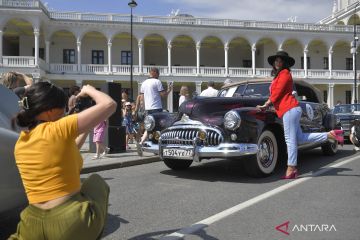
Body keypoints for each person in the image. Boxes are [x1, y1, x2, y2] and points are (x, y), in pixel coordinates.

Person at [9, 82, 116, 239]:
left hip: (31, 224)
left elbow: (66, 151)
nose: (65, 112)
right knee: (95, 182)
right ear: (50, 111)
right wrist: (90, 90)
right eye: (63, 107)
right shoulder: (59, 128)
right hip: (69, 222)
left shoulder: (21, 142)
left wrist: (85, 128)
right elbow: (109, 104)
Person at [256, 51, 344, 179]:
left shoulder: (285, 73)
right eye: (276, 60)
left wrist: (266, 104)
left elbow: (278, 93)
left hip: (290, 110)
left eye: (280, 61)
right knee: (300, 138)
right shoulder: (278, 76)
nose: (277, 63)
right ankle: (330, 135)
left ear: (285, 63)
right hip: (290, 109)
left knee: (290, 140)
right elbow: (280, 95)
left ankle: (291, 168)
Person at [136, 67, 172, 156]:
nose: (159, 75)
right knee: (158, 127)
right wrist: (169, 89)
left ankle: (141, 143)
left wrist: (143, 107)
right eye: (158, 73)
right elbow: (163, 95)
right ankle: (156, 147)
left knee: (149, 127)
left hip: (147, 108)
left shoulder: (144, 83)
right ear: (155, 73)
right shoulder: (157, 82)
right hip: (156, 107)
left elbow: (141, 97)